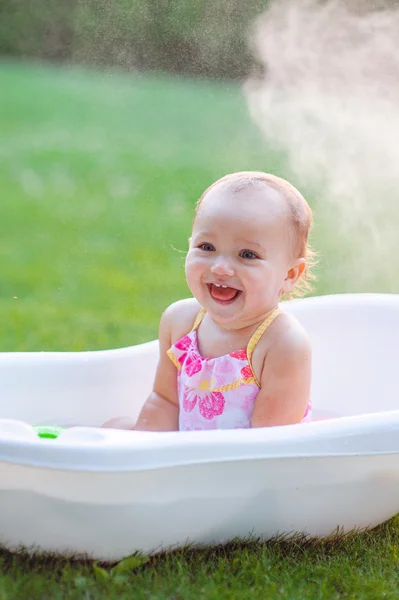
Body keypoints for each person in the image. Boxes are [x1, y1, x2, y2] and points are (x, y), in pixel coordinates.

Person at [103, 171, 316, 432]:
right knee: (114, 428)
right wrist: (144, 450)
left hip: (247, 464)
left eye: (247, 254)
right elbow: (165, 402)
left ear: (290, 275)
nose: (221, 267)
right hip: (190, 455)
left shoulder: (281, 343)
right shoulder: (180, 322)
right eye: (206, 247)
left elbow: (268, 446)